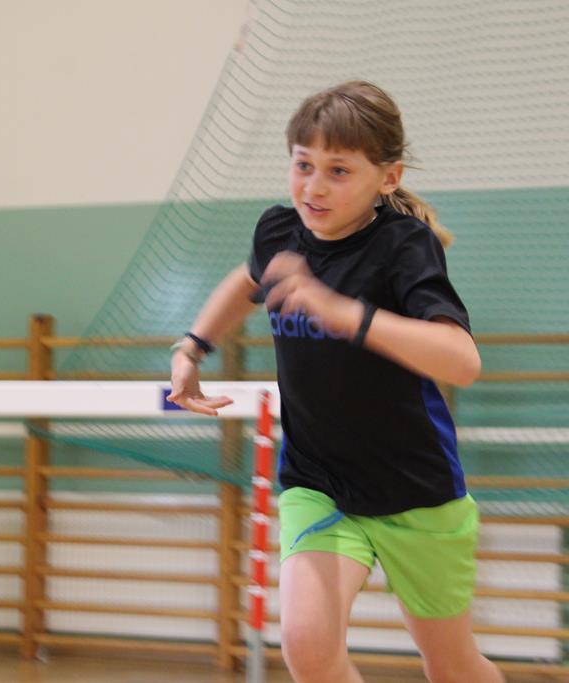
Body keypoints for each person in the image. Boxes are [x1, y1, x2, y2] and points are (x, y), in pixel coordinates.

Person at [167, 81, 503, 683]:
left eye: (339, 171)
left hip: (416, 491)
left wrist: (347, 314)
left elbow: (462, 361)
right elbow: (248, 279)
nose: (314, 187)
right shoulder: (279, 231)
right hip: (318, 482)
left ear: (388, 177)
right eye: (303, 165)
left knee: (453, 666)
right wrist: (194, 346)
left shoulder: (404, 246)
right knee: (308, 648)